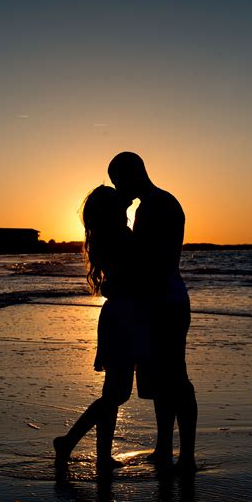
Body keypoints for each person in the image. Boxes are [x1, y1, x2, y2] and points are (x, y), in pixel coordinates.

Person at [108, 151, 198, 472]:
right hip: (160, 300)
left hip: (166, 302)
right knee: (164, 379)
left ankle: (186, 454)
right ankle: (164, 447)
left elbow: (146, 259)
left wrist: (121, 224)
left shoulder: (157, 206)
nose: (118, 188)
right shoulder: (154, 204)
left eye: (119, 181)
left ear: (134, 174)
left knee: (176, 378)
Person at [53, 185, 139, 474]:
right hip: (123, 318)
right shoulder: (120, 236)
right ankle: (68, 441)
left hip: (117, 316)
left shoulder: (105, 235)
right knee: (117, 394)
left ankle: (100, 454)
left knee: (112, 393)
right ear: (112, 211)